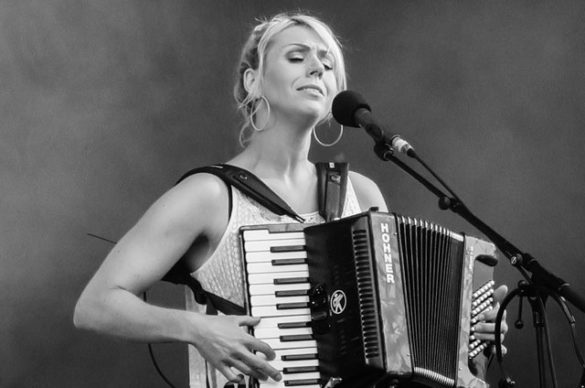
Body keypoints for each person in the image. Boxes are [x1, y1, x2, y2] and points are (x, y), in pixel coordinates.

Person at [74, 12, 508, 388]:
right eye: (296, 57)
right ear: (253, 80)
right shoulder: (209, 195)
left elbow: (401, 341)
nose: (316, 69)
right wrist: (195, 326)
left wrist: (466, 337)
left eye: (327, 64)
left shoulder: (362, 193)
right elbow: (96, 304)